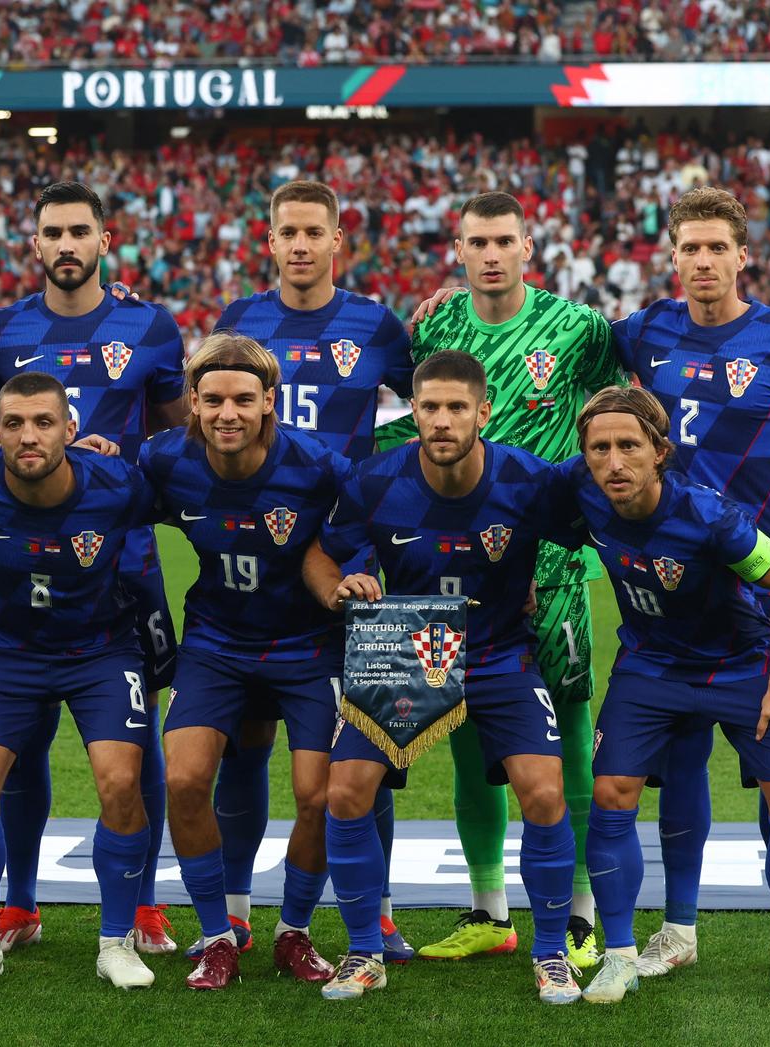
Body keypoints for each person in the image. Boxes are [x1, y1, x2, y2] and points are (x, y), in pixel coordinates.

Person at [608, 187, 770, 980]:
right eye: (690, 248)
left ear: (742, 255)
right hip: (670, 597)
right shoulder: (643, 333)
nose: (703, 261)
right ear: (672, 254)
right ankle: (678, 929)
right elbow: (553, 342)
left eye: (717, 247)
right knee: (677, 769)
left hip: (766, 598)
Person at [0, 181, 187, 955]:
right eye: (52, 231)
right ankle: (19, 903)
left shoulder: (151, 325)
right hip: (24, 559)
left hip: (127, 566)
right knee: (23, 730)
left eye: (78, 231)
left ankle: (144, 902)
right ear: (35, 243)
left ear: (103, 239)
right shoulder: (1, 328)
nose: (65, 244)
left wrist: (125, 460)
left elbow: (172, 434)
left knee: (135, 739)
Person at [303, 351, 581, 1004]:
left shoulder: (528, 480)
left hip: (497, 649)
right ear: (413, 410)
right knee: (343, 790)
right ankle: (365, 950)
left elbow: (605, 531)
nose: (443, 419)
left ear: (483, 412)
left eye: (458, 407)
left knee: (543, 792)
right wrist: (337, 587)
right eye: (429, 406)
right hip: (404, 639)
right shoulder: (375, 480)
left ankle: (550, 954)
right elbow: (319, 551)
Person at [395, 191, 627, 968]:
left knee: (570, 734)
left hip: (554, 566)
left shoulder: (578, 329)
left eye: (504, 240)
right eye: (475, 242)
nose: (490, 254)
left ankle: (583, 913)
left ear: (529, 245)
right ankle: (489, 908)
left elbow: (609, 408)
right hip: (459, 571)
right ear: (456, 250)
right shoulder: (435, 325)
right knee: (467, 736)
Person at [553, 385, 770, 1006]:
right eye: (600, 448)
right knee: (610, 791)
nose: (614, 461)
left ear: (660, 452)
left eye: (629, 446)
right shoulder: (583, 493)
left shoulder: (709, 516)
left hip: (742, 664)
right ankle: (619, 955)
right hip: (652, 666)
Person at [203, 180, 416, 960]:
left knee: (371, 742)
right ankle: (234, 912)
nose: (299, 244)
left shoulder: (377, 325)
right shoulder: (241, 321)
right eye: (286, 231)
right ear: (269, 240)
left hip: (354, 557)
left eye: (312, 232)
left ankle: (380, 909)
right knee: (248, 740)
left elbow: (429, 409)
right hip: (255, 559)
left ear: (337, 241)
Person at [0, 371, 164, 989]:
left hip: (102, 652)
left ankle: (116, 942)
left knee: (121, 781)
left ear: (70, 428)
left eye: (43, 422)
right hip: (8, 653)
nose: (28, 436)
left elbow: (204, 508)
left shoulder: (117, 483)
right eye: (13, 424)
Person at [139, 333, 351, 990]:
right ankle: (218, 934)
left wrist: (349, 585)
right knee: (183, 780)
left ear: (268, 403)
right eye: (212, 400)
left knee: (320, 795)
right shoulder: (164, 461)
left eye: (241, 399)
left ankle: (294, 930)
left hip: (305, 645)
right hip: (216, 643)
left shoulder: (318, 465)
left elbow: (357, 535)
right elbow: (105, 498)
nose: (226, 413)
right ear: (193, 404)